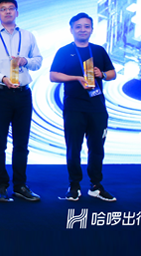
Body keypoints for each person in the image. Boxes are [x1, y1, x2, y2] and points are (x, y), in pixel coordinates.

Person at [0, 0, 42, 202]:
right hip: (0, 93)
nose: (7, 12)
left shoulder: (28, 35)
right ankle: (1, 186)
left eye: (11, 8)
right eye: (3, 9)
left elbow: (38, 61)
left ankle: (20, 185)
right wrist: (2, 77)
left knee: (22, 143)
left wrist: (25, 60)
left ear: (17, 12)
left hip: (23, 94)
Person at [50, 13, 117, 201]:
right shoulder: (64, 51)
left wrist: (102, 74)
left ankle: (96, 186)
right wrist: (77, 78)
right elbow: (53, 75)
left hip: (97, 107)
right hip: (74, 107)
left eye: (86, 26)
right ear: (71, 29)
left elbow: (112, 73)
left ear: (92, 29)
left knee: (97, 148)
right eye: (78, 26)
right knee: (73, 148)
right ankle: (74, 185)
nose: (82, 29)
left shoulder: (99, 50)